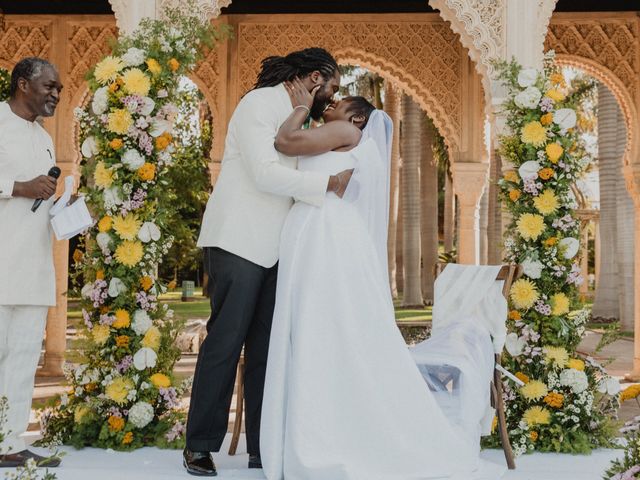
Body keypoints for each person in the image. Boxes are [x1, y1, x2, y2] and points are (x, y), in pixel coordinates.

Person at [259, 81, 488, 479]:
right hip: (315, 230)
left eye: (338, 103)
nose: (329, 105)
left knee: (322, 326)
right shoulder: (338, 134)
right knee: (314, 327)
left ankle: (327, 436)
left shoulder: (348, 132)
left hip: (326, 234)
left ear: (358, 117)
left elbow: (286, 142)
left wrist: (301, 105)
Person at [184, 48, 354, 477]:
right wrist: (326, 184)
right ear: (314, 77)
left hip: (278, 250)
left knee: (266, 349)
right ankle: (199, 446)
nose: (332, 98)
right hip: (238, 241)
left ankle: (264, 445)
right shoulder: (258, 104)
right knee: (226, 342)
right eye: (331, 87)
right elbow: (263, 173)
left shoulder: (302, 117)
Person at [0, 57, 63, 468]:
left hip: (35, 263)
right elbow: (22, 189)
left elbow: (44, 200)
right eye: (49, 86)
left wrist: (64, 205)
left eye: (58, 88)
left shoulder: (44, 138)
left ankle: (9, 444)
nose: (56, 94)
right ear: (24, 84)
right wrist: (18, 187)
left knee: (23, 357)